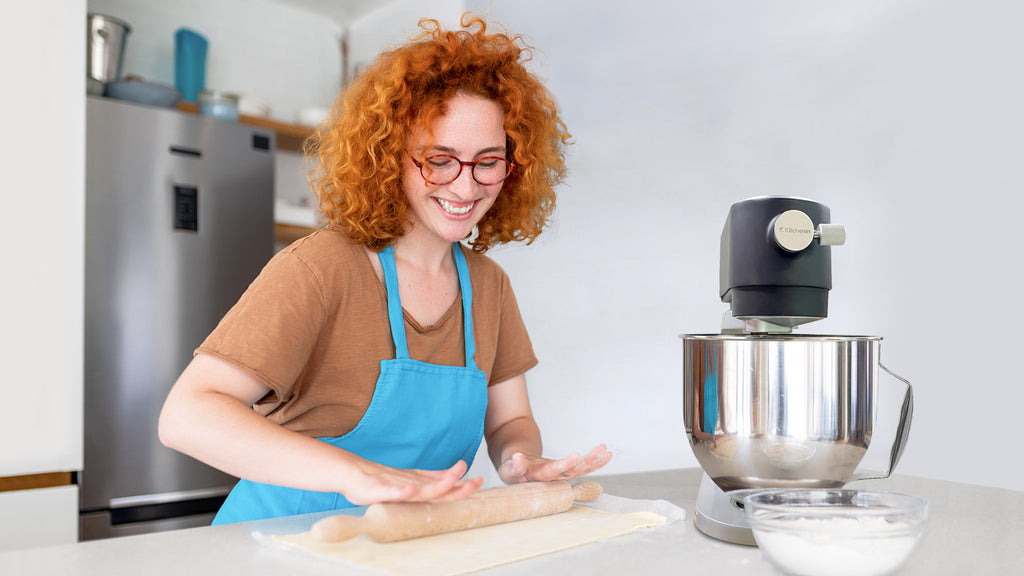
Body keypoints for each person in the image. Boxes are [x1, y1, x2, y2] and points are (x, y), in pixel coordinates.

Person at [158, 14, 611, 525]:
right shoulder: (320, 267)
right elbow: (187, 415)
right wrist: (354, 473)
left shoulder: (489, 285)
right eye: (439, 159)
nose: (465, 188)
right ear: (389, 157)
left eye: (488, 161)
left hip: (407, 544)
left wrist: (517, 460)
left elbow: (511, 418)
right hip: (275, 544)